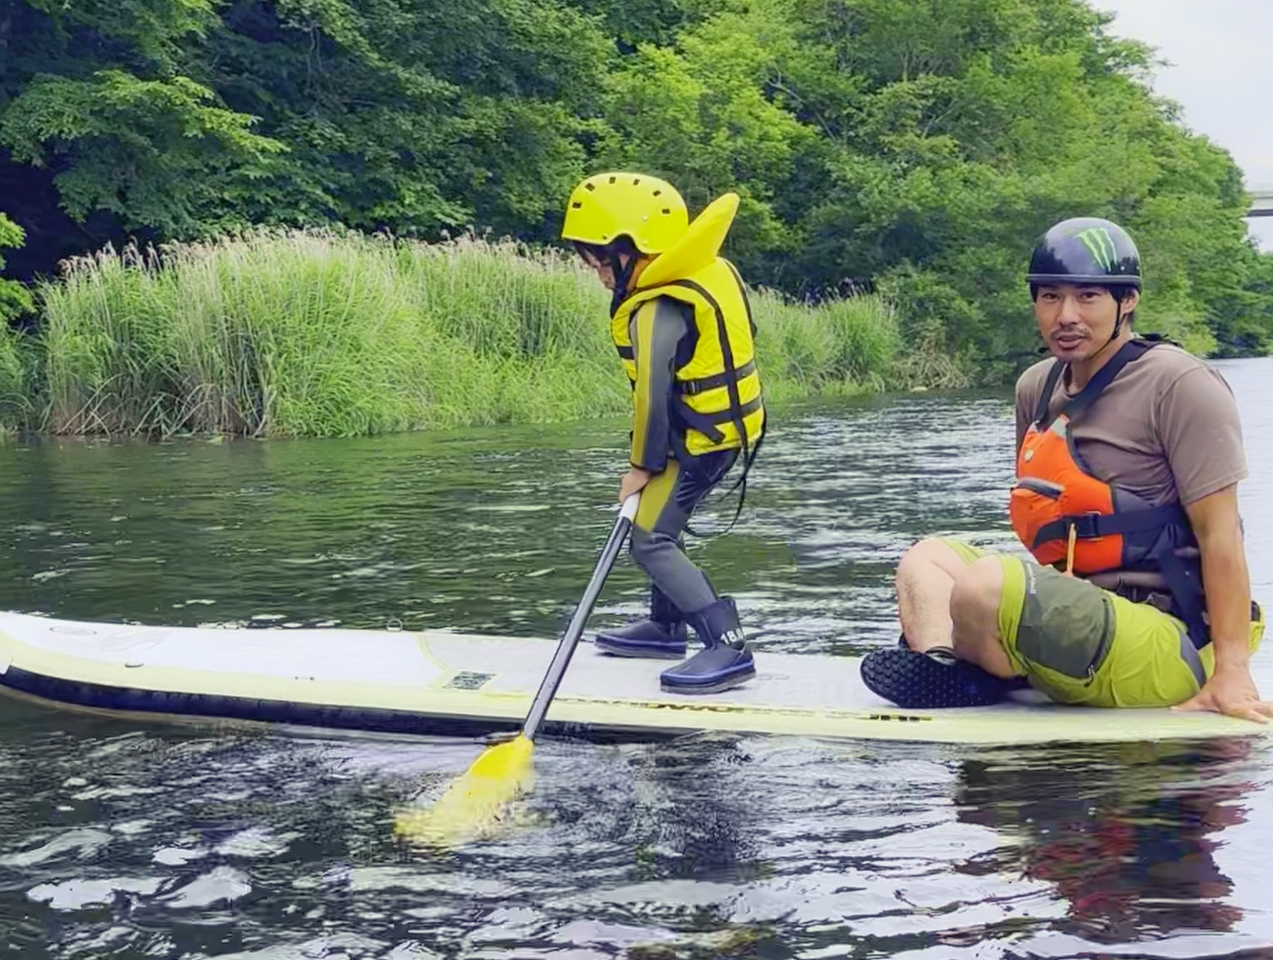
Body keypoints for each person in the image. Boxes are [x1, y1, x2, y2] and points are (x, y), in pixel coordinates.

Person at [860, 217, 1271, 723]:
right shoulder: (1036, 387)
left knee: (987, 583)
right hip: (1078, 617)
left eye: (1089, 297)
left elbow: (1221, 534)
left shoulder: (1181, 384)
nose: (1066, 316)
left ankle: (984, 667)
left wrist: (1231, 672)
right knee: (925, 561)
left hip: (1165, 639)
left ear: (1129, 301)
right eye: (1050, 297)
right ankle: (952, 668)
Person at [559, 171, 765, 695]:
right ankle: (665, 627)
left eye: (595, 258)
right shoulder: (707, 271)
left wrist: (640, 468)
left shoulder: (655, 306)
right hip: (708, 430)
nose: (596, 272)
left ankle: (729, 644)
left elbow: (652, 395)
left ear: (629, 250)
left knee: (650, 540)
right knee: (656, 525)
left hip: (701, 442)